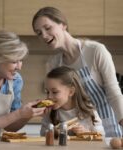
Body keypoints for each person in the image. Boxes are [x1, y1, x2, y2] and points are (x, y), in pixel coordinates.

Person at [32, 6, 123, 137]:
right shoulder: (53, 63)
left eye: (47, 28)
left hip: (110, 122)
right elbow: (56, 99)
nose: (44, 36)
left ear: (63, 25)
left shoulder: (96, 51)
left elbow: (113, 92)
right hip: (80, 129)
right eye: (39, 33)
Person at [0, 30, 45, 137]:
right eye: (14, 61)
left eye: (21, 60)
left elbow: (9, 127)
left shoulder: (15, 80)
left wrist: (29, 114)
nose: (19, 67)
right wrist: (19, 113)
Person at [40, 66, 105, 138]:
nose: (49, 97)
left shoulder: (88, 110)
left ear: (71, 92)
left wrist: (86, 133)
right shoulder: (49, 112)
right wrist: (55, 132)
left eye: (54, 92)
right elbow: (42, 135)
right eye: (47, 92)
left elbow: (101, 136)